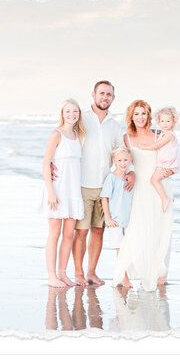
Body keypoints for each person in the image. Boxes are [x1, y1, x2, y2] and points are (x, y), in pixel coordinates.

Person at [51, 81, 135, 286]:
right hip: (81, 185)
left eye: (108, 94)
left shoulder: (115, 126)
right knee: (81, 231)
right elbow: (64, 139)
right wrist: (52, 162)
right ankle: (78, 273)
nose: (104, 97)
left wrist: (131, 172)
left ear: (113, 98)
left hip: (106, 186)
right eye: (101, 93)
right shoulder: (82, 119)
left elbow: (122, 153)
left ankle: (91, 272)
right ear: (93, 95)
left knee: (99, 230)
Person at [113, 100, 174, 292]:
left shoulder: (159, 134)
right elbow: (122, 163)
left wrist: (171, 171)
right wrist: (129, 174)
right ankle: (142, 269)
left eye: (144, 113)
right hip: (139, 189)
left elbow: (171, 157)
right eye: (137, 114)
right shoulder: (126, 138)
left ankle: (160, 272)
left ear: (149, 116)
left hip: (159, 187)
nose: (140, 117)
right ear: (131, 116)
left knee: (161, 228)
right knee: (140, 228)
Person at [40, 99, 86, 288]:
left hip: (73, 190)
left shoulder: (78, 135)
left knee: (69, 234)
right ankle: (52, 276)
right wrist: (50, 191)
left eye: (75, 111)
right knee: (54, 233)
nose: (72, 114)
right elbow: (45, 163)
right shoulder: (56, 134)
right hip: (58, 189)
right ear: (62, 113)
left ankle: (62, 274)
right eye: (68, 111)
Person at [100, 147, 134, 287]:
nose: (123, 163)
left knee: (128, 248)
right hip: (115, 221)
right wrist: (108, 218)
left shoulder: (129, 179)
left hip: (129, 220)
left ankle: (125, 275)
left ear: (130, 160)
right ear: (114, 161)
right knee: (120, 249)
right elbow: (104, 198)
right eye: (119, 160)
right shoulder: (111, 178)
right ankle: (124, 277)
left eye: (125, 160)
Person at [139, 107, 179, 213]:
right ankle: (168, 196)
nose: (165, 123)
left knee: (154, 180)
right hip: (165, 164)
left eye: (168, 121)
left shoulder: (169, 135)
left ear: (173, 121)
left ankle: (165, 198)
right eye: (162, 121)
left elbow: (157, 145)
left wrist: (144, 147)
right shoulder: (163, 133)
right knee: (160, 180)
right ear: (158, 121)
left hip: (167, 164)